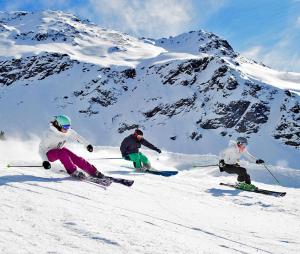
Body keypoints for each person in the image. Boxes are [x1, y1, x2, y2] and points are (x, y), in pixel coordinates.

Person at [39, 115, 103, 179]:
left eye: (68, 127)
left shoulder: (68, 131)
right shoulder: (49, 135)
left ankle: (92, 171)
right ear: (58, 125)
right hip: (49, 154)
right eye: (65, 127)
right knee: (62, 153)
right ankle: (73, 171)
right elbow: (41, 149)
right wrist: (45, 161)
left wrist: (87, 145)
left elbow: (77, 137)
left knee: (75, 157)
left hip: (60, 149)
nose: (67, 129)